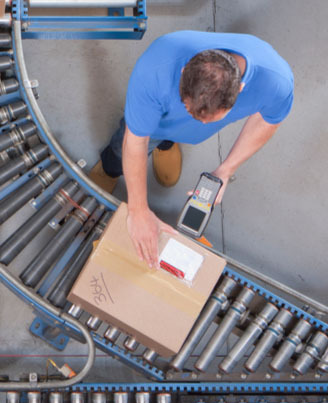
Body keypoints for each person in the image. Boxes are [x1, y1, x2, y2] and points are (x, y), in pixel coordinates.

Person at [87, 30, 294, 268]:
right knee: (120, 152)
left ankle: (167, 144)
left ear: (240, 89)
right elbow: (136, 140)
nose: (202, 123)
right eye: (189, 110)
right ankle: (109, 168)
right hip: (151, 127)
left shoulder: (276, 82)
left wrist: (225, 170)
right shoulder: (156, 68)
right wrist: (138, 209)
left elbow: (269, 120)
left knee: (176, 131)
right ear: (184, 72)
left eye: (212, 118)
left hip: (175, 127)